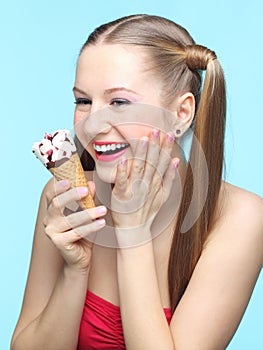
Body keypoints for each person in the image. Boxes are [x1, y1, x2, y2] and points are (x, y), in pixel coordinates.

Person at [11, 14, 263, 350]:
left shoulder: (242, 218)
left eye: (119, 102)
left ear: (181, 113)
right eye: (83, 101)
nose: (93, 126)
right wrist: (75, 270)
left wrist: (133, 236)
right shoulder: (67, 199)